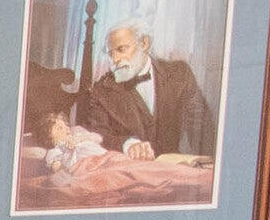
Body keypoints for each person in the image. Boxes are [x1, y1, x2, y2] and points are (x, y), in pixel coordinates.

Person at [75, 22, 216, 161]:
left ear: (144, 44)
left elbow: (202, 128)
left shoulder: (179, 74)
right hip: (130, 167)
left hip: (172, 167)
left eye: (121, 49)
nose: (115, 59)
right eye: (111, 54)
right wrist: (128, 144)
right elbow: (97, 134)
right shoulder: (102, 90)